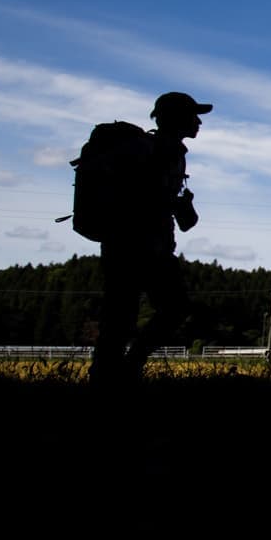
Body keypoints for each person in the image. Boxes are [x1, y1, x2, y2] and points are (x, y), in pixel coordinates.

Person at [91, 91, 209, 389]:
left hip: (133, 246)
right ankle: (118, 375)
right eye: (193, 115)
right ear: (177, 117)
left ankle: (113, 375)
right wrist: (170, 204)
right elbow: (144, 200)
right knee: (134, 315)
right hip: (139, 247)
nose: (198, 122)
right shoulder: (154, 152)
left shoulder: (168, 153)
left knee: (122, 316)